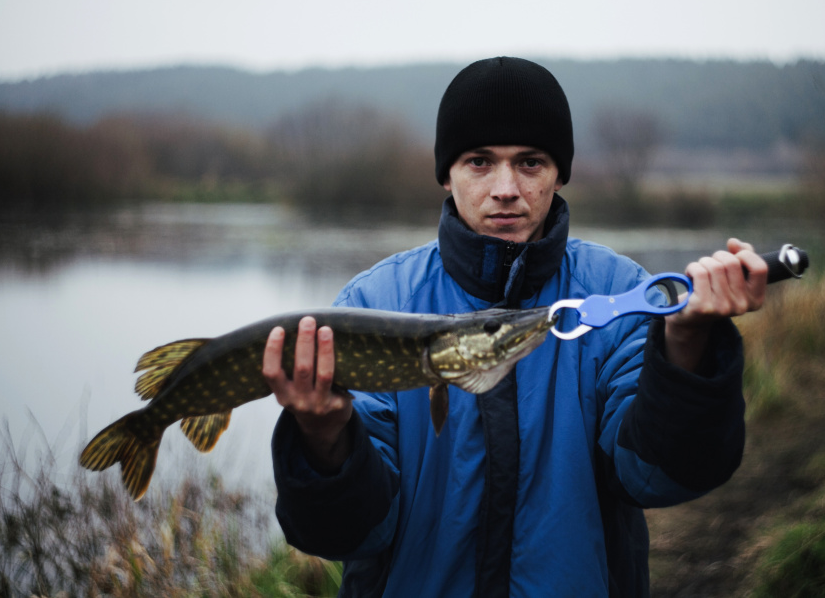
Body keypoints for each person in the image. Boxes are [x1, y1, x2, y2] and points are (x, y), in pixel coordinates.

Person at [262, 56, 767, 597]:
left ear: (558, 174)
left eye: (530, 163)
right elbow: (347, 533)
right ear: (448, 174)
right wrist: (323, 438)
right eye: (480, 162)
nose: (505, 187)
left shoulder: (620, 292)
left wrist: (686, 345)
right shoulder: (374, 302)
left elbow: (656, 475)